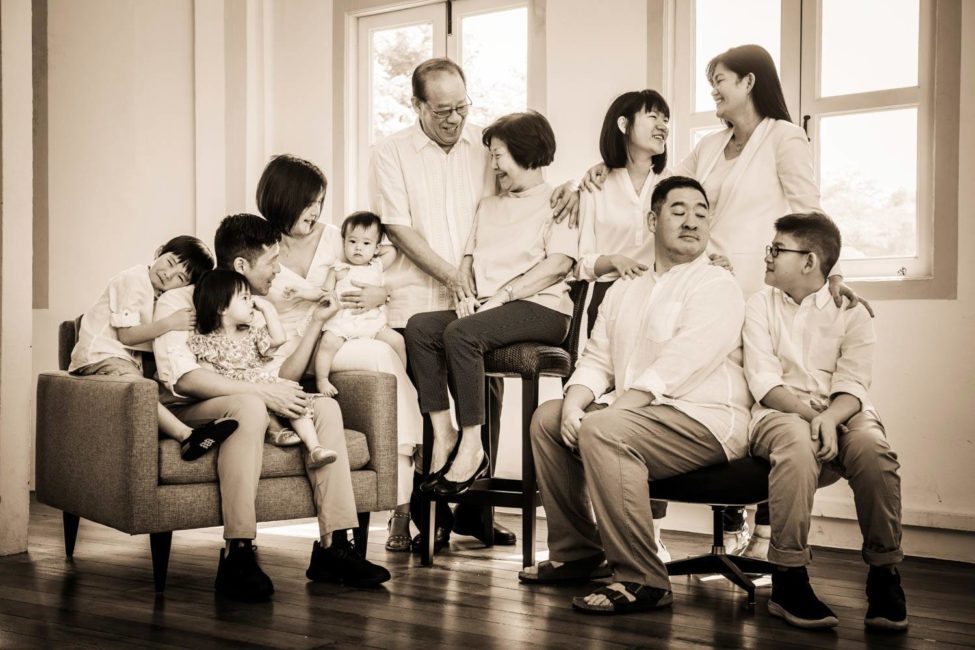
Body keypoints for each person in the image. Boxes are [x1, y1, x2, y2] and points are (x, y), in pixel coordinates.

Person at [584, 44, 871, 556]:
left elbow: (809, 211)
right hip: (706, 288)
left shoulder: (785, 137)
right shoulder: (711, 145)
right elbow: (667, 189)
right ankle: (647, 531)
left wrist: (832, 274)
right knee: (664, 388)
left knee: (759, 401)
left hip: (759, 291)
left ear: (749, 82)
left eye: (719, 78)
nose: (712, 89)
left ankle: (762, 534)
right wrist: (591, 175)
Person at [370, 58, 579, 550]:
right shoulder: (391, 152)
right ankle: (429, 498)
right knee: (427, 361)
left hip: (509, 303)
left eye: (462, 107)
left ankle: (471, 503)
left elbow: (547, 221)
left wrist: (573, 186)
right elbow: (400, 227)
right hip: (432, 292)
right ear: (417, 105)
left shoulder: (489, 147)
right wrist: (461, 275)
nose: (455, 118)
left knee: (484, 384)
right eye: (443, 110)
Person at [519, 176, 752, 615]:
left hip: (706, 420)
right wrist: (573, 406)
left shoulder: (716, 284)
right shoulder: (625, 288)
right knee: (547, 418)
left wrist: (606, 412)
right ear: (652, 219)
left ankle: (643, 578)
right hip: (640, 416)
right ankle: (579, 555)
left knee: (605, 428)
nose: (692, 221)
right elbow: (596, 359)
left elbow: (681, 364)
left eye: (702, 213)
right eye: (678, 210)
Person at [154, 214, 391, 602]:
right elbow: (184, 379)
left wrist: (316, 322)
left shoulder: (256, 309)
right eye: (272, 262)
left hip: (250, 396)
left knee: (324, 409)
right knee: (249, 406)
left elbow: (283, 375)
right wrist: (262, 394)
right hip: (193, 409)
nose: (278, 271)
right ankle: (238, 552)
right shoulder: (181, 300)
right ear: (243, 265)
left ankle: (336, 547)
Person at [743, 212, 906, 630]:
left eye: (777, 249)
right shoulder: (759, 304)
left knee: (874, 451)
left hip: (842, 409)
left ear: (810, 261)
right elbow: (763, 381)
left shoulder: (852, 311)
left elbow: (854, 380)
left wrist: (832, 417)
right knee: (797, 447)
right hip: (780, 411)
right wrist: (816, 419)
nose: (769, 256)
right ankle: (788, 577)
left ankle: (884, 574)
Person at [405, 110, 577, 497]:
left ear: (527, 153)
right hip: (490, 308)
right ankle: (444, 432)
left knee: (462, 335)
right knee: (420, 327)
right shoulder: (489, 206)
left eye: (499, 155)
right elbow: (468, 261)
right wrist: (466, 294)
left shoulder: (561, 202)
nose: (494, 164)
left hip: (543, 308)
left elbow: (559, 265)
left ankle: (472, 446)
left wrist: (503, 295)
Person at [256, 154, 423, 553]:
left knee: (384, 353)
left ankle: (403, 493)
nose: (315, 211)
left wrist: (379, 292)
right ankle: (419, 458)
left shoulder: (335, 236)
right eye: (307, 202)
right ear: (282, 199)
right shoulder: (260, 243)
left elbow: (375, 268)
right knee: (382, 353)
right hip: (290, 349)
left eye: (319, 201)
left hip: (338, 335)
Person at [69, 235, 238, 461]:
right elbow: (127, 335)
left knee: (154, 390)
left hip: (120, 361)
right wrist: (171, 323)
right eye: (170, 262)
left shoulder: (159, 296)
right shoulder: (134, 279)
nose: (168, 274)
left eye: (180, 277)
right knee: (143, 389)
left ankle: (199, 424)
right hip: (101, 356)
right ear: (159, 252)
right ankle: (187, 435)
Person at [188, 270, 338, 469]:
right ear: (222, 307)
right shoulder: (205, 341)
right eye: (245, 298)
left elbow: (278, 339)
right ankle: (274, 430)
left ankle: (315, 448)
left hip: (262, 384)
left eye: (251, 298)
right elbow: (207, 375)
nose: (252, 302)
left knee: (291, 393)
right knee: (259, 402)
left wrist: (268, 309)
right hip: (238, 392)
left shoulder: (251, 334)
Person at [293, 212, 406, 398]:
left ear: (377, 247)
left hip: (371, 321)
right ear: (344, 243)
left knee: (397, 341)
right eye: (352, 242)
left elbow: (392, 250)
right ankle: (322, 379)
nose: (358, 248)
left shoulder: (376, 265)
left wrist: (376, 247)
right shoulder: (338, 270)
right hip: (343, 321)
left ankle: (401, 378)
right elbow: (323, 292)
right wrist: (301, 292)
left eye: (366, 243)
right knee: (328, 343)